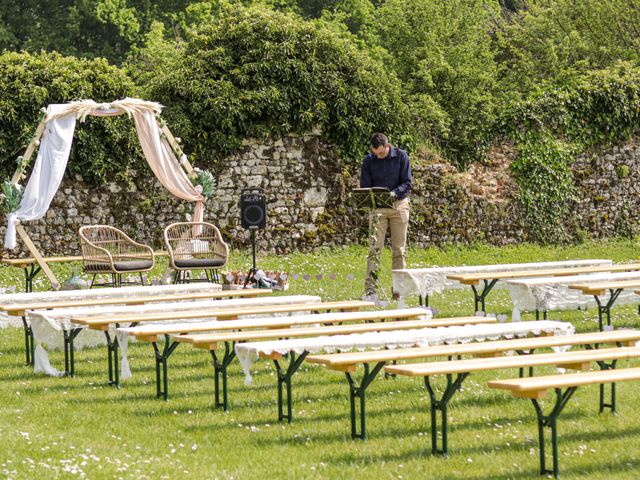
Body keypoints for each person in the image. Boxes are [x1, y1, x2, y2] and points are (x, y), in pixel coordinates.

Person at [360, 132, 412, 298]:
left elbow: (407, 183)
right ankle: (371, 291)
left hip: (399, 205)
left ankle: (398, 290)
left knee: (399, 250)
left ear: (387, 146)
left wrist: (394, 194)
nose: (379, 156)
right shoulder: (368, 160)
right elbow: (365, 186)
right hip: (378, 208)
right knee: (374, 249)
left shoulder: (402, 156)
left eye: (381, 153)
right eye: (376, 154)